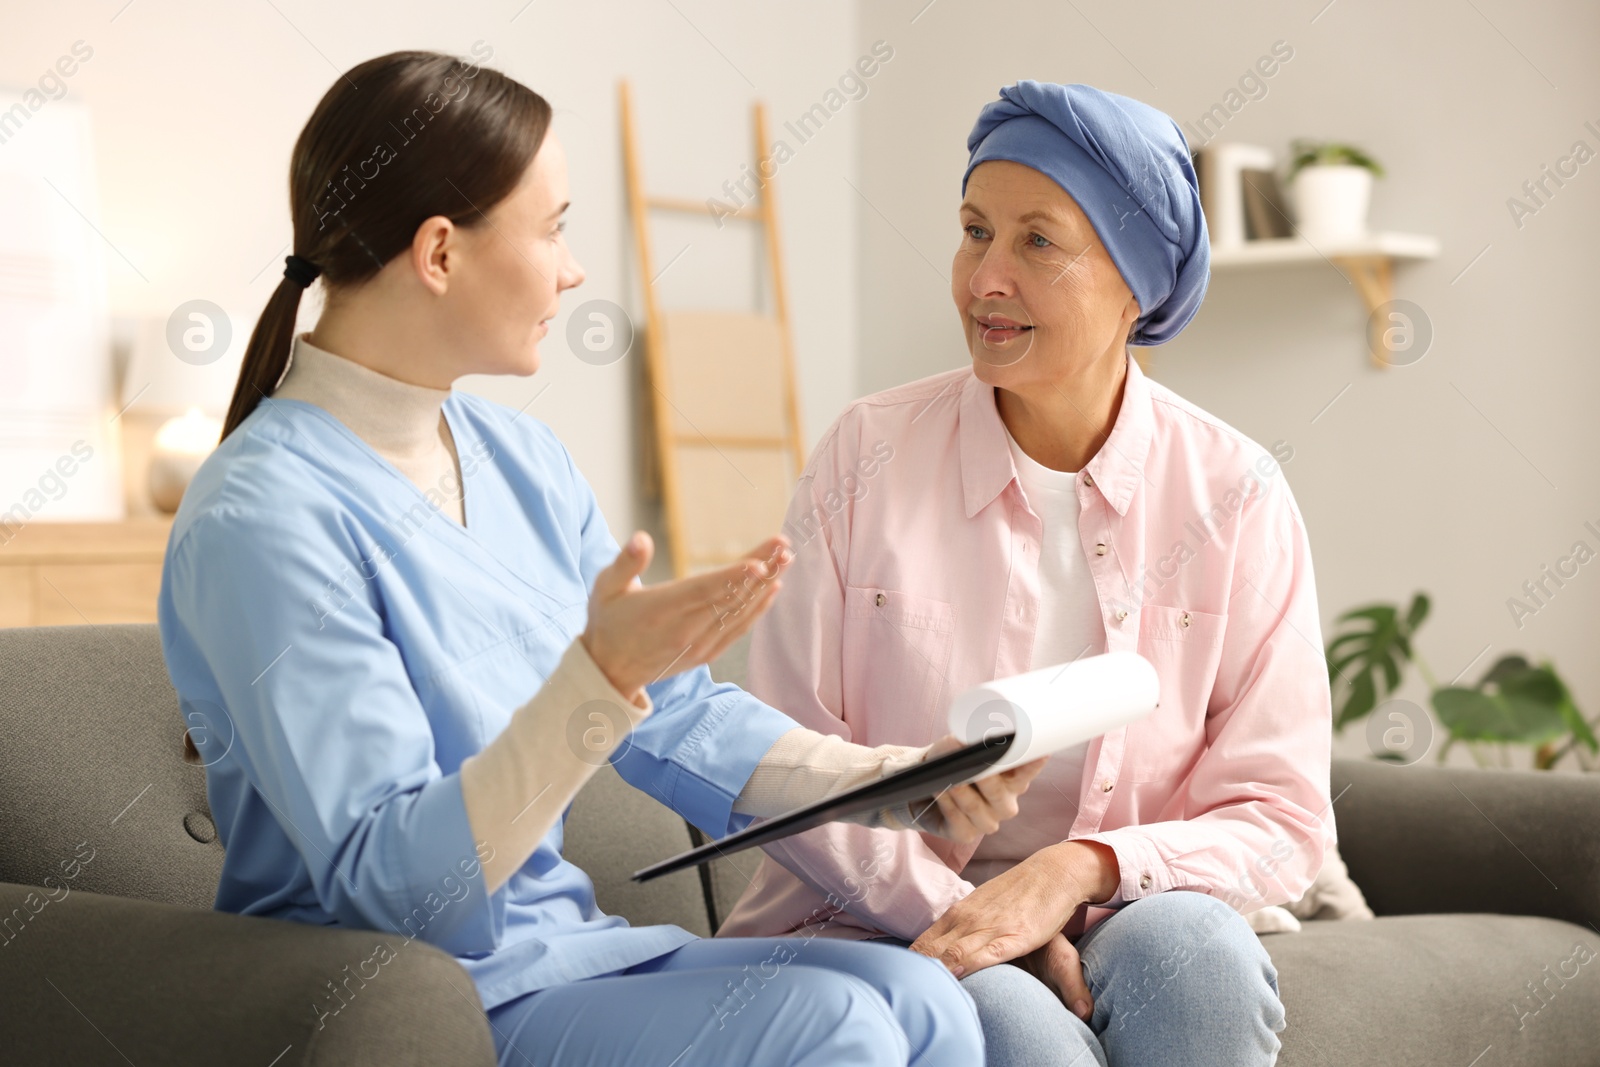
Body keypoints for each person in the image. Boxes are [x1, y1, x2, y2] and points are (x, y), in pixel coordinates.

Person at [157, 50, 1046, 1067]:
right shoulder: (263, 514)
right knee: (831, 1024)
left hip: (563, 957)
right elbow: (399, 890)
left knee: (921, 995)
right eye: (554, 228)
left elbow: (675, 715)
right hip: (407, 992)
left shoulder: (520, 459)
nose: (574, 269)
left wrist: (905, 779)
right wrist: (596, 678)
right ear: (440, 252)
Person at [716, 80, 1335, 1067]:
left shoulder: (1235, 490)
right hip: (881, 914)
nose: (983, 278)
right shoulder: (864, 453)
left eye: (1036, 241)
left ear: (1135, 283)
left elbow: (1282, 816)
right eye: (973, 232)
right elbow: (790, 769)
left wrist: (1077, 867)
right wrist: (976, 909)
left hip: (1129, 900)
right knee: (1009, 1022)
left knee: (1197, 962)